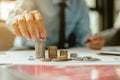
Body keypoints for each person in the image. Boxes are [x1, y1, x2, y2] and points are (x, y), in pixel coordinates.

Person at [6, 0, 105, 50]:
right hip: (26, 50)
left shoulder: (80, 4)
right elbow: (13, 17)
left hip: (58, 53)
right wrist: (19, 20)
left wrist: (91, 40)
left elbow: (83, 34)